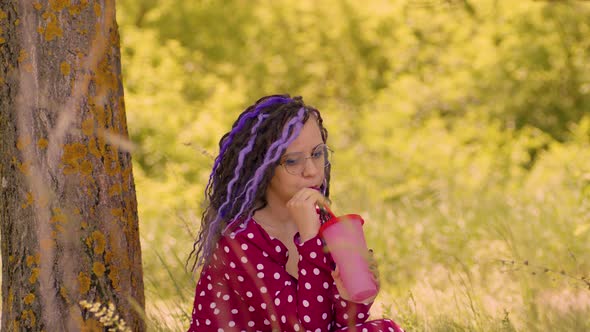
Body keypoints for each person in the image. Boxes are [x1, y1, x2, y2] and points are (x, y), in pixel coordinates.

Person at [187, 94, 404, 332]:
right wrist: (310, 239)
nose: (311, 170)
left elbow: (341, 324)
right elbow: (305, 328)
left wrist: (354, 295)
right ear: (263, 169)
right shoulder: (238, 240)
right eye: (292, 161)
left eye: (318, 154)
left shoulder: (323, 223)